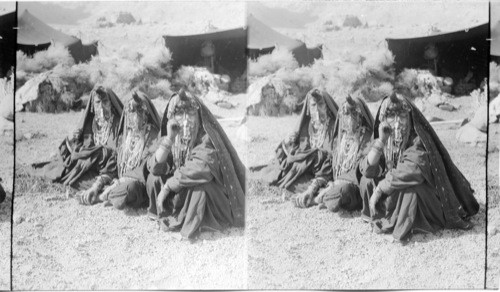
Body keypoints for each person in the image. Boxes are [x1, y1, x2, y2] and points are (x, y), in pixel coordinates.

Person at [359, 92, 479, 241]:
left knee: (411, 191)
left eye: (402, 117)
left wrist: (380, 188)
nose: (397, 123)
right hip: (394, 186)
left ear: (409, 118)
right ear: (383, 119)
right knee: (367, 181)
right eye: (391, 117)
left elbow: (412, 170)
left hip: (425, 195)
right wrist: (381, 141)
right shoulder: (385, 137)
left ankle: (406, 224)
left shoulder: (418, 139)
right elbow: (367, 169)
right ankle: (384, 213)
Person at [146, 89, 245, 240]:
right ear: (172, 117)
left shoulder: (205, 137)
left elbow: (201, 168)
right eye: (179, 114)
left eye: (191, 114)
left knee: (200, 188)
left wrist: (168, 186)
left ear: (198, 116)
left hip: (207, 191)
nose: (185, 120)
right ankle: (168, 211)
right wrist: (169, 139)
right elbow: (154, 166)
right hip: (181, 185)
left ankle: (198, 222)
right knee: (154, 179)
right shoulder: (172, 135)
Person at [32, 85, 123, 201]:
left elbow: (117, 157)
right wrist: (74, 140)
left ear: (111, 103)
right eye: (97, 102)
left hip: (110, 169)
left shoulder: (118, 125)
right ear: (92, 106)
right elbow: (80, 150)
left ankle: (103, 187)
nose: (101, 107)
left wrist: (98, 154)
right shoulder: (90, 123)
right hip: (91, 168)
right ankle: (101, 188)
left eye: (105, 101)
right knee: (72, 176)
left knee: (100, 162)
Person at [257, 88, 338, 207]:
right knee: (289, 179)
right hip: (307, 172)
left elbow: (333, 159)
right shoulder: (307, 126)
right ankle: (317, 194)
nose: (317, 109)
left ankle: (318, 193)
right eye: (313, 105)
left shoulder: (334, 127)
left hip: (327, 173)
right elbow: (297, 154)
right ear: (308, 109)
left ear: (327, 107)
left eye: (321, 104)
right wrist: (287, 142)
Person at [84, 91, 161, 209]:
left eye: (138, 111)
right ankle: (109, 193)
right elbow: (112, 166)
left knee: (130, 188)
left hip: (139, 186)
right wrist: (96, 186)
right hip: (120, 182)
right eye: (130, 112)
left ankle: (109, 195)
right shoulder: (124, 137)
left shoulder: (153, 135)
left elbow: (145, 169)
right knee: (91, 179)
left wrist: (118, 183)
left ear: (146, 114)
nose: (133, 116)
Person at [313, 95, 374, 212]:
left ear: (361, 117)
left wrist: (337, 183)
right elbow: (330, 162)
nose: (349, 118)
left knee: (343, 190)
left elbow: (361, 168)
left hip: (356, 186)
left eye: (354, 114)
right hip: (337, 183)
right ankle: (330, 196)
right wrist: (316, 185)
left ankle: (331, 197)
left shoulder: (368, 138)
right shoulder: (340, 139)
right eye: (345, 114)